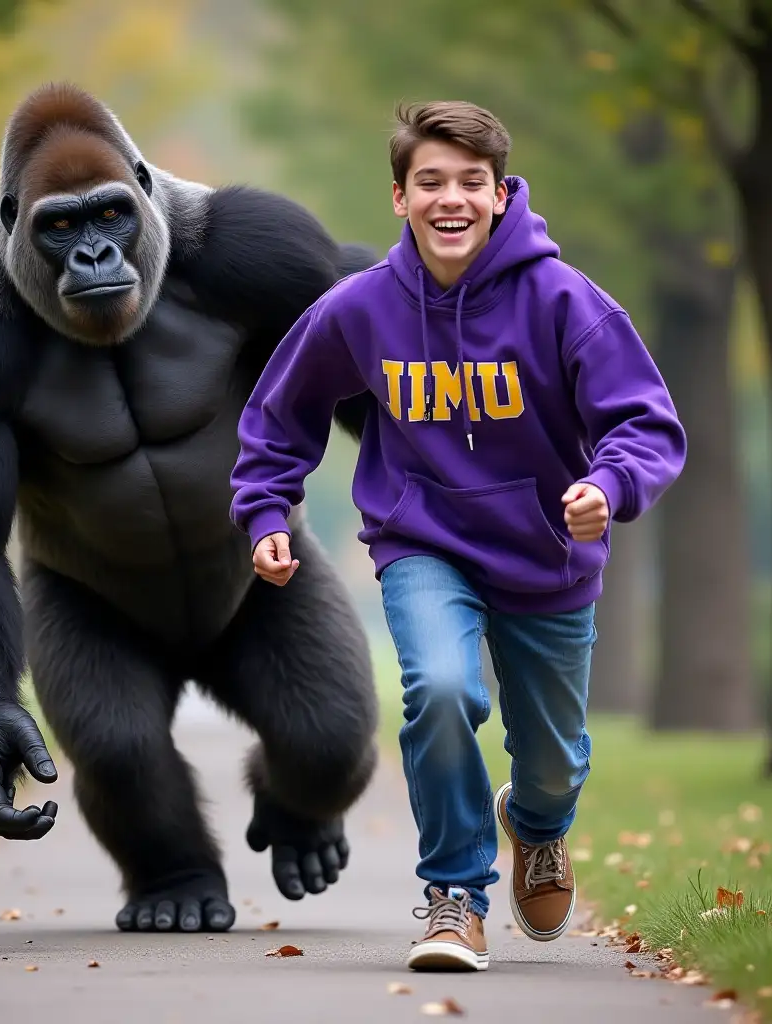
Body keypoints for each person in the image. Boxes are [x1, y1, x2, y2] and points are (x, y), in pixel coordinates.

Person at [228, 99, 686, 972]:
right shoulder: (360, 309)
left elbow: (646, 421)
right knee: (439, 689)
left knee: (552, 759)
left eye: (471, 183)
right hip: (423, 541)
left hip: (548, 557)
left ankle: (538, 825)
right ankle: (453, 900)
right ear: (398, 198)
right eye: (430, 182)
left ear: (501, 195)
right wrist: (264, 512)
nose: (452, 199)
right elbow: (279, 414)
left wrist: (609, 483)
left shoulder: (563, 300)